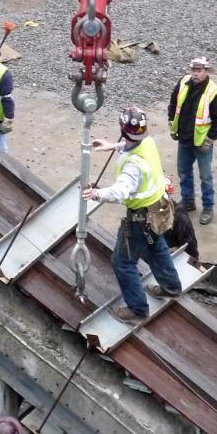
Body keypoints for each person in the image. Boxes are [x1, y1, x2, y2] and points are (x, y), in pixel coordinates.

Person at [83, 105, 182, 321]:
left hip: (140, 218)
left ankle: (137, 310)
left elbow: (120, 191)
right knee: (156, 247)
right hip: (158, 210)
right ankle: (171, 287)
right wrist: (113, 146)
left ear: (122, 127)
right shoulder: (147, 141)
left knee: (123, 262)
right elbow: (131, 143)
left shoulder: (134, 166)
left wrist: (96, 194)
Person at [168, 56, 217, 226]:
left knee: (205, 176)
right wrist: (172, 123)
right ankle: (188, 201)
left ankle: (208, 207)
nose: (195, 74)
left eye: (199, 71)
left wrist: (210, 139)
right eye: (193, 70)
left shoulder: (214, 93)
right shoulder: (183, 83)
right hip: (185, 139)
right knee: (183, 171)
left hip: (201, 143)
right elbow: (173, 105)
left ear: (206, 71)